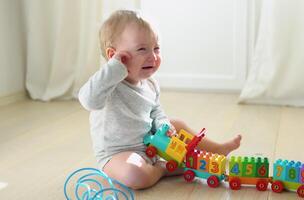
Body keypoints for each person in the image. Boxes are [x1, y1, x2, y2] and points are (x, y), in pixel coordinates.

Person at [78, 10, 242, 190]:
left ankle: (217, 149)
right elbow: (88, 100)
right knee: (134, 175)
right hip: (118, 155)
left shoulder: (150, 84)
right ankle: (163, 169)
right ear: (114, 56)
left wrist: (164, 125)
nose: (153, 56)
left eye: (156, 48)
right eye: (142, 49)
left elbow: (156, 111)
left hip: (151, 145)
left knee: (177, 124)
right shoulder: (107, 85)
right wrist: (113, 69)